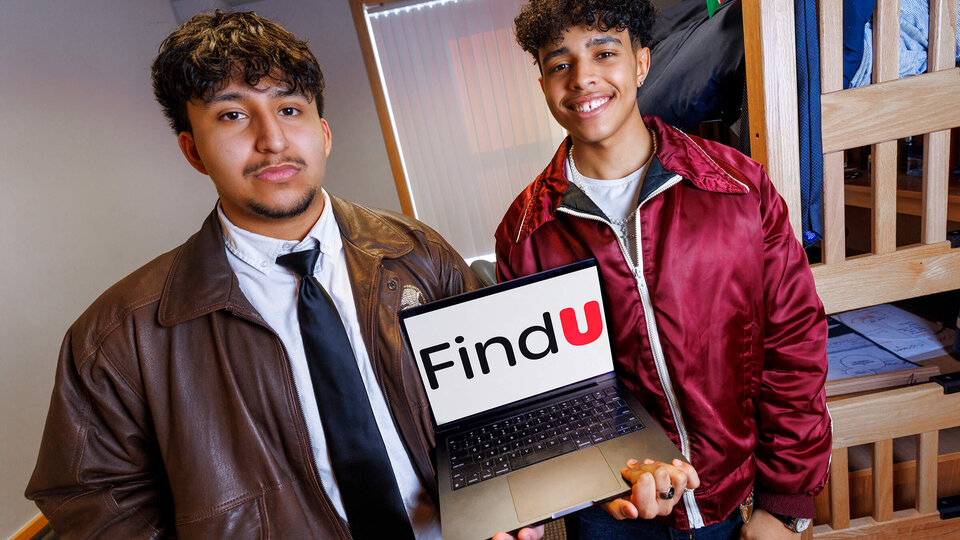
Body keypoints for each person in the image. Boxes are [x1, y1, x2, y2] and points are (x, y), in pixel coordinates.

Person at [25, 11, 542, 540]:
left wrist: (512, 507)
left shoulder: (420, 254)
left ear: (323, 134)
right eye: (231, 116)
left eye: (289, 108)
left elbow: (496, 406)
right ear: (192, 150)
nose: (271, 139)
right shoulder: (118, 336)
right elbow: (94, 505)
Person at [495, 1, 832, 538]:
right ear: (543, 84)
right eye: (560, 64)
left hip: (732, 501)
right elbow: (549, 399)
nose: (583, 78)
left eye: (604, 52)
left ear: (641, 63)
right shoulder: (523, 232)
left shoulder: (738, 187)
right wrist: (607, 476)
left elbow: (794, 345)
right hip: (610, 511)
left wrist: (785, 501)